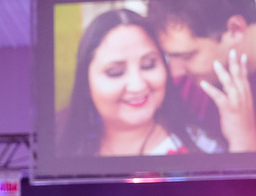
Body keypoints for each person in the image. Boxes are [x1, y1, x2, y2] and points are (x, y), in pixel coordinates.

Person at [58, 9, 237, 157]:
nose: (138, 85)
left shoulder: (202, 148)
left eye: (149, 65)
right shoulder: (60, 146)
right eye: (115, 72)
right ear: (86, 82)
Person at [150, 0, 256, 148]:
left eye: (186, 56)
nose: (174, 73)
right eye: (168, 56)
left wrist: (244, 141)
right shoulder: (181, 81)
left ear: (235, 30)